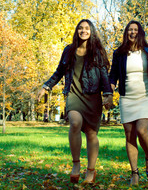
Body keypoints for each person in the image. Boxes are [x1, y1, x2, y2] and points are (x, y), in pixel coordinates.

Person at [37, 19, 113, 184]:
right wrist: (46, 86)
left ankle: (91, 171)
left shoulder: (98, 51)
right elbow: (59, 72)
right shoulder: (69, 50)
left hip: (92, 96)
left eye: (86, 28)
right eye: (80, 28)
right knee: (75, 122)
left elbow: (104, 74)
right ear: (77, 31)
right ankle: (76, 164)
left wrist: (108, 93)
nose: (83, 31)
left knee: (92, 134)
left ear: (91, 31)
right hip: (73, 94)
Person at [109, 20, 148, 186]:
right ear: (126, 33)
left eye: (135, 30)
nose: (132, 32)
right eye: (129, 30)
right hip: (127, 97)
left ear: (140, 33)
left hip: (146, 95)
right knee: (129, 135)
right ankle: (134, 172)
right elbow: (113, 76)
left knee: (141, 130)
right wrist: (109, 90)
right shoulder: (119, 53)